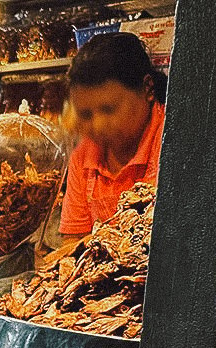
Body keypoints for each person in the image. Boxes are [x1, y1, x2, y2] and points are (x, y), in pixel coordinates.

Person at [59, 32, 166, 238]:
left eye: (109, 109)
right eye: (85, 114)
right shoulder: (83, 156)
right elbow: (74, 241)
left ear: (148, 89)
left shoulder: (173, 143)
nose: (97, 126)